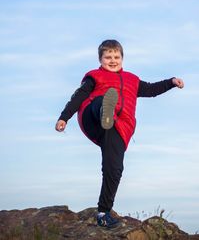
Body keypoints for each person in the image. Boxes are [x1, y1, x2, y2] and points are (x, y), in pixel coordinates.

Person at [55, 39, 184, 228]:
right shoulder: (95, 77)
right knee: (101, 101)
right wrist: (64, 118)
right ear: (100, 59)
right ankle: (104, 112)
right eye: (108, 57)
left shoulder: (132, 79)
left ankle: (103, 213)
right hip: (92, 118)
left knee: (114, 169)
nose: (112, 60)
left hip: (119, 127)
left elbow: (151, 89)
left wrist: (172, 82)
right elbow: (79, 97)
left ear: (122, 58)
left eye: (116, 57)